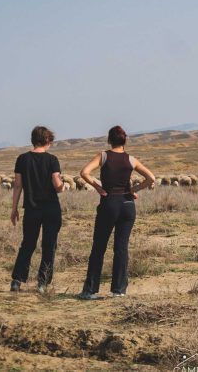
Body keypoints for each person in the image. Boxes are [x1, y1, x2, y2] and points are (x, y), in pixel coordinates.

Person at [78, 125, 155, 299]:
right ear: (124, 140)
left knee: (99, 247)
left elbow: (84, 173)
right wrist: (134, 188)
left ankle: (89, 290)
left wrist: (98, 187)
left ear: (109, 140)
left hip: (109, 202)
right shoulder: (131, 159)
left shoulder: (103, 156)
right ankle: (118, 291)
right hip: (127, 205)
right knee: (121, 248)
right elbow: (151, 178)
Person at [10, 126, 65, 293]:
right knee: (49, 246)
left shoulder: (22, 159)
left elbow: (18, 185)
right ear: (47, 141)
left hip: (31, 209)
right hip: (51, 209)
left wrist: (14, 209)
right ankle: (42, 283)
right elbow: (57, 184)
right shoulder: (52, 160)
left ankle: (17, 281)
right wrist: (63, 186)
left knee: (27, 244)